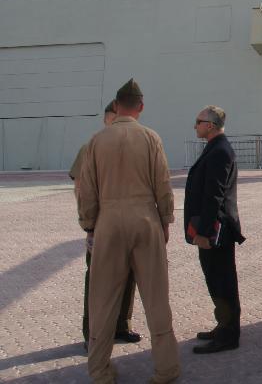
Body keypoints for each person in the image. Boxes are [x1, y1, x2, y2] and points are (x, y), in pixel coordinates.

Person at [77, 79, 180, 384]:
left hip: (108, 221)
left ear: (116, 105)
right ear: (140, 108)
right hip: (145, 219)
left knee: (103, 299)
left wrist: (89, 225)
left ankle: (99, 371)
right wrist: (165, 220)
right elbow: (163, 186)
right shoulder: (151, 138)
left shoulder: (96, 141)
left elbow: (87, 191)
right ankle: (166, 369)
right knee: (156, 298)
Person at [69, 101, 141, 351]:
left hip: (130, 223)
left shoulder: (136, 145)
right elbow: (80, 187)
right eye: (116, 116)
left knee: (129, 274)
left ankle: (122, 325)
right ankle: (93, 333)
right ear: (107, 119)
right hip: (102, 224)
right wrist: (88, 224)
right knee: (99, 279)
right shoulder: (91, 147)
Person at [185, 105, 245, 354]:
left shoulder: (220, 151)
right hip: (213, 228)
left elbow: (214, 196)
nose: (195, 125)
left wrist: (203, 232)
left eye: (198, 121)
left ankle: (228, 335)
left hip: (216, 231)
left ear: (209, 125)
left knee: (223, 281)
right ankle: (223, 325)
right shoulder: (215, 148)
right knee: (216, 279)